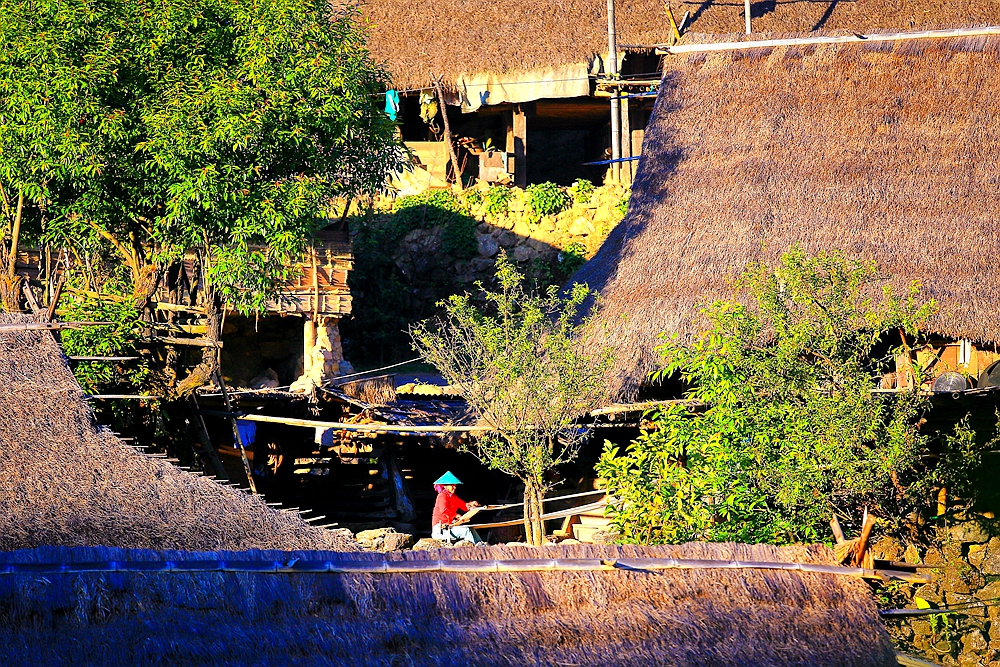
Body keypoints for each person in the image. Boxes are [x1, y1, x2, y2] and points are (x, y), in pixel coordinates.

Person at [431, 471, 483, 544]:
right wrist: (456, 515)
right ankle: (476, 549)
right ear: (445, 486)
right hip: (440, 530)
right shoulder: (442, 496)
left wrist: (472, 505)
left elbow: (464, 506)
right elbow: (444, 510)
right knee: (466, 531)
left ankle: (482, 545)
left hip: (449, 527)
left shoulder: (454, 497)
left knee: (471, 529)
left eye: (455, 485)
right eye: (452, 485)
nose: (454, 487)